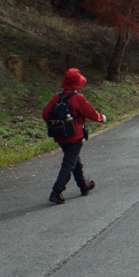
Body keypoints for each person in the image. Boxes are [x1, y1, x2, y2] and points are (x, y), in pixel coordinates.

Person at [43, 68, 106, 205]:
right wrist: (102, 118)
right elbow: (91, 114)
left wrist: (59, 125)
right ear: (78, 83)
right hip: (74, 136)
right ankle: (56, 191)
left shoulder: (57, 97)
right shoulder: (78, 98)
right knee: (69, 163)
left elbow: (45, 114)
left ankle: (83, 187)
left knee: (74, 161)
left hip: (60, 136)